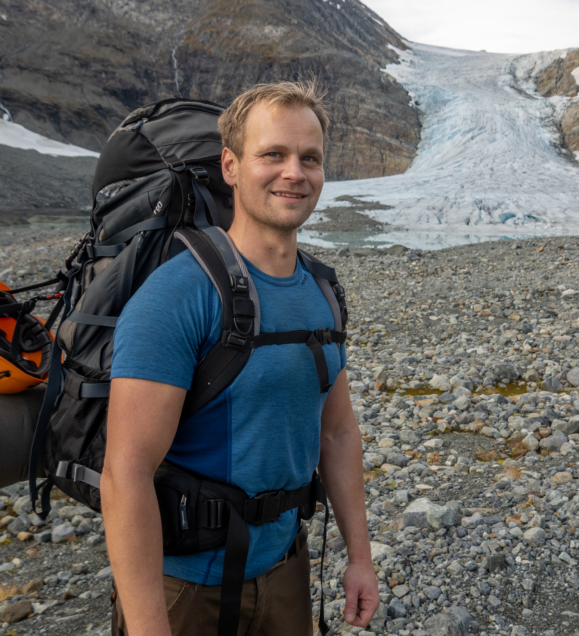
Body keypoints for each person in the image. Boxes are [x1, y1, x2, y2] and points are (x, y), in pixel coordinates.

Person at [102, 81, 379, 636]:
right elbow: (124, 472)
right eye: (272, 154)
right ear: (230, 165)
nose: (294, 173)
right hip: (185, 587)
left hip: (286, 572)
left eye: (310, 158)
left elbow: (338, 433)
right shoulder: (177, 294)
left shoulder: (322, 293)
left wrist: (360, 556)